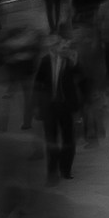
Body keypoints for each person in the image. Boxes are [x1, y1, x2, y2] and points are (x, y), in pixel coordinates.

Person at [29, 37, 84, 182]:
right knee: (51, 139)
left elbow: (80, 76)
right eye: (56, 45)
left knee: (68, 139)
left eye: (61, 45)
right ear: (51, 48)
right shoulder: (45, 61)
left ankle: (66, 169)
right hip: (50, 107)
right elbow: (38, 83)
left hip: (66, 105)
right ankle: (52, 172)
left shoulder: (69, 60)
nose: (60, 48)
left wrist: (75, 60)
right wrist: (36, 106)